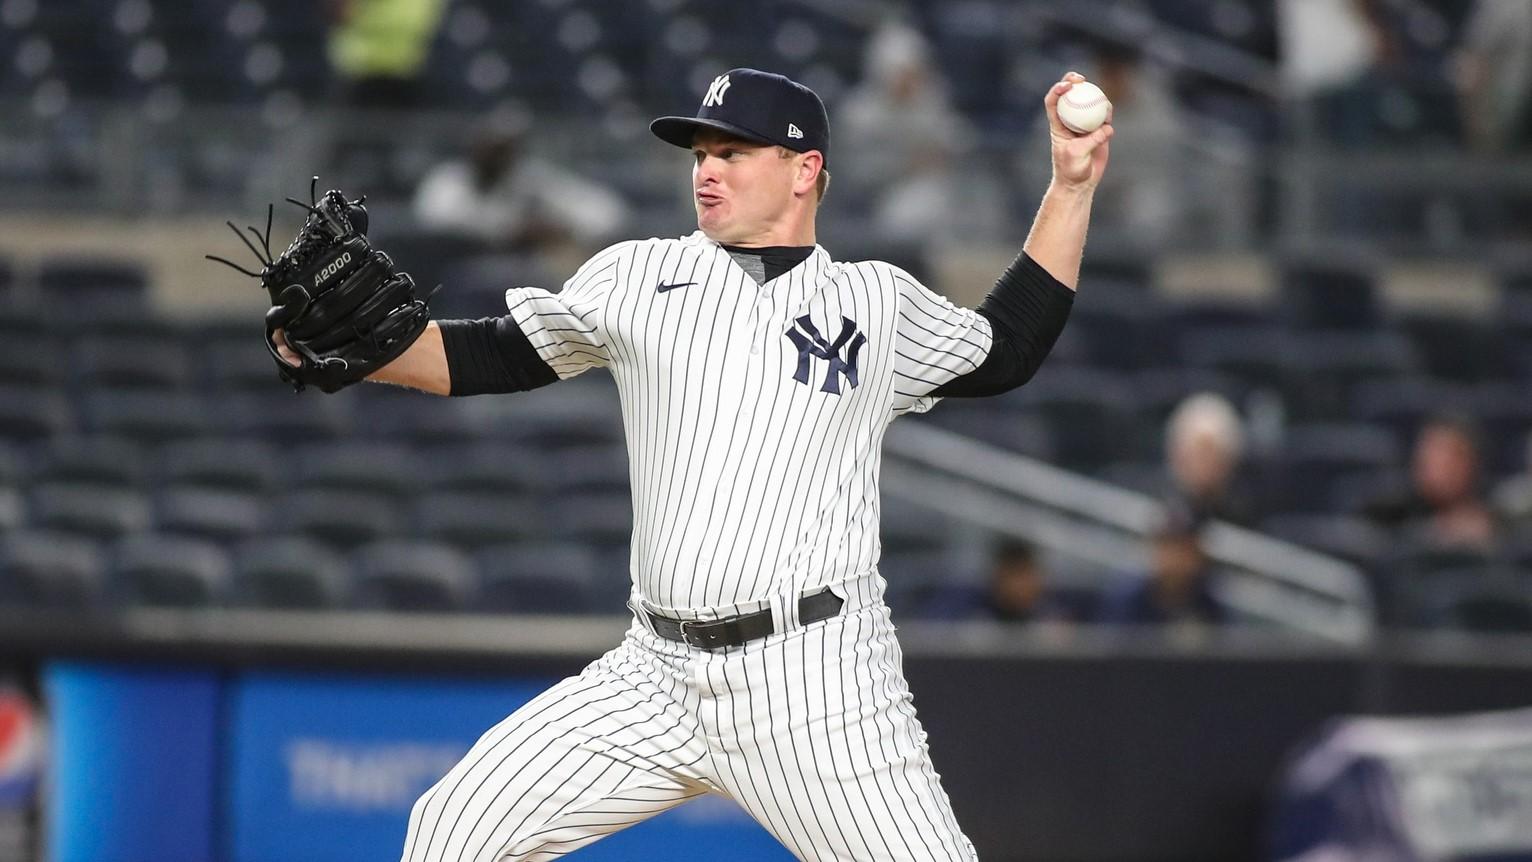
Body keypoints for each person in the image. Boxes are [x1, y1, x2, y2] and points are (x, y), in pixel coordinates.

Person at [278, 66, 1111, 861]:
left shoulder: (875, 302)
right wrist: (347, 356)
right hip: (655, 674)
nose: (706, 173)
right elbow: (486, 358)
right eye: (701, 155)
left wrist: (1070, 187)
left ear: (802, 168)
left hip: (812, 678)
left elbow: (1005, 348)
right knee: (452, 830)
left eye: (733, 153)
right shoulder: (638, 275)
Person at [412, 115, 631, 254]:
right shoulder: (447, 180)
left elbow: (606, 212)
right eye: (490, 147)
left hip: (519, 272)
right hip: (457, 270)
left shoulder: (529, 179)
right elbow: (436, 221)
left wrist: (564, 229)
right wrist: (512, 229)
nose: (496, 155)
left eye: (504, 148)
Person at [1099, 508, 1226, 627]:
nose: (1175, 559)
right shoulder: (1127, 601)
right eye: (1167, 547)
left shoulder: (1209, 602)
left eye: (1182, 549)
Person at [1163, 392, 1258, 527]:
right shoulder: (1158, 510)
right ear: (1178, 454)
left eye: (1210, 455)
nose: (1202, 464)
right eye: (1196, 454)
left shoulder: (1244, 514)